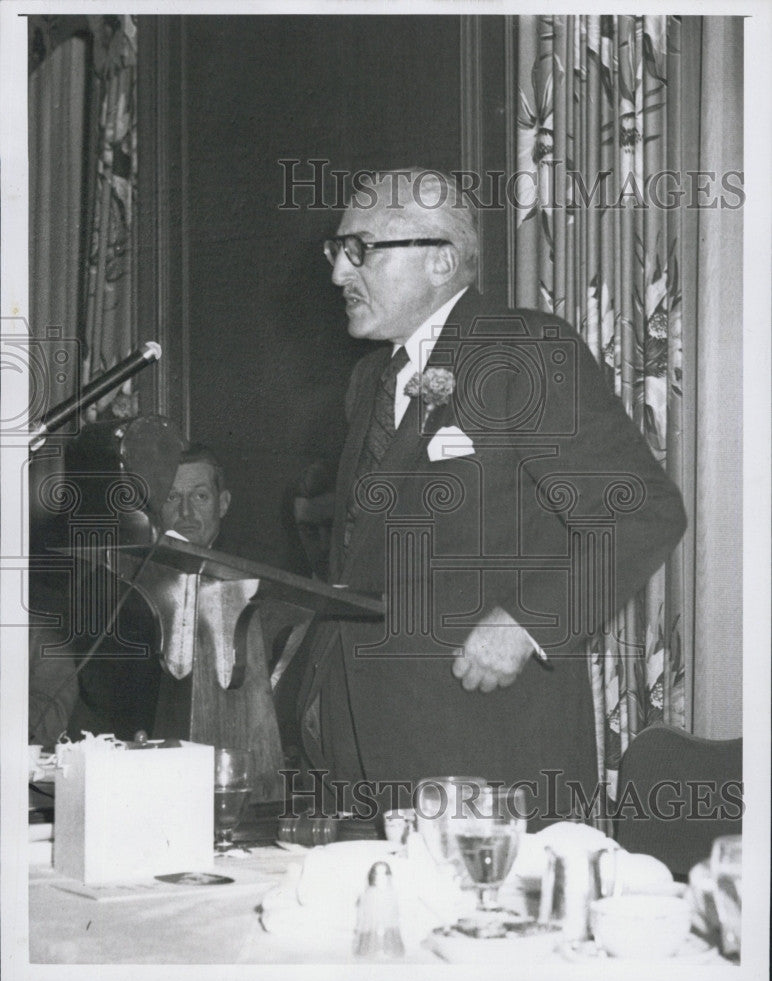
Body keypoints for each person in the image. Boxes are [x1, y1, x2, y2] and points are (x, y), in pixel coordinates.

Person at [296, 168, 687, 825]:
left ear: (441, 261)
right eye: (337, 253)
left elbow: (643, 510)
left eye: (359, 250)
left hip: (484, 752)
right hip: (360, 749)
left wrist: (528, 622)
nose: (339, 274)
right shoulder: (371, 379)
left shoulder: (523, 351)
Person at [30, 444, 232, 744]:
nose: (186, 511)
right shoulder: (109, 584)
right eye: (172, 497)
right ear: (153, 506)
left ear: (223, 503)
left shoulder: (250, 579)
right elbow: (103, 692)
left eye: (200, 496)